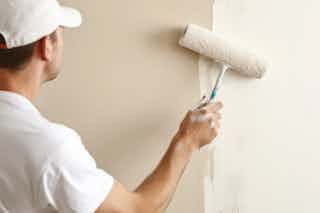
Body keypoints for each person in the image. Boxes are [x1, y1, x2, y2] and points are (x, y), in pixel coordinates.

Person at [0, 0, 223, 212]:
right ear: (45, 46)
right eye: (59, 31)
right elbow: (135, 211)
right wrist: (188, 141)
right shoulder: (47, 149)